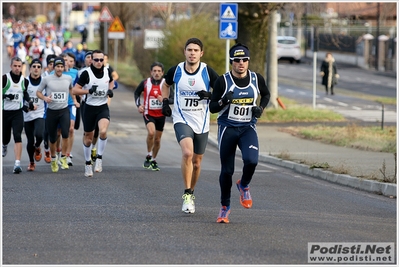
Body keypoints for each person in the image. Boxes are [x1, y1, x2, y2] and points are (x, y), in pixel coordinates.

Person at [209, 43, 270, 223]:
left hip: (247, 127)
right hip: (227, 127)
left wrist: (261, 108)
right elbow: (212, 107)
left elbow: (266, 94)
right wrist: (223, 101)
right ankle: (224, 207)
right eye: (237, 60)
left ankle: (243, 185)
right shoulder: (222, 81)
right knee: (227, 171)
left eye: (244, 60)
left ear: (248, 61)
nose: (241, 63)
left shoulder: (256, 78)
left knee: (252, 160)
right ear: (231, 62)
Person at [161, 38, 219, 214]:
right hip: (182, 118)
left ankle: (192, 192)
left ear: (201, 53)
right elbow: (165, 85)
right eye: (189, 50)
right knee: (187, 153)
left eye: (195, 50)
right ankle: (186, 194)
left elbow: (221, 91)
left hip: (201, 121)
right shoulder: (176, 70)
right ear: (184, 52)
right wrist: (165, 101)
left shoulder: (207, 71)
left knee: (197, 162)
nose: (192, 53)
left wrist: (209, 95)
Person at [72, 49, 114, 177]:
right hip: (89, 108)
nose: (99, 62)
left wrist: (110, 90)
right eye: (96, 60)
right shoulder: (86, 74)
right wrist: (88, 91)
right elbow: (75, 90)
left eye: (101, 60)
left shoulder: (107, 71)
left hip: (102, 106)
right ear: (91, 61)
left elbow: (111, 81)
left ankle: (99, 158)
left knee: (102, 131)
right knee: (89, 138)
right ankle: (88, 163)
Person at [36, 57, 73, 172]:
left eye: (62, 67)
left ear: (64, 67)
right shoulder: (47, 79)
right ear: (54, 67)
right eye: (57, 66)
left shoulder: (68, 78)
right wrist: (45, 98)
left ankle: (63, 157)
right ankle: (53, 159)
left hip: (64, 110)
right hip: (52, 112)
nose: (60, 69)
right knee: (52, 138)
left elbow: (71, 89)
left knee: (66, 134)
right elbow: (38, 92)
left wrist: (75, 100)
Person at [2, 57, 33, 173]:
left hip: (17, 113)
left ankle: (17, 164)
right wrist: (5, 96)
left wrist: (29, 102)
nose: (17, 68)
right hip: (4, 113)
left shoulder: (24, 81)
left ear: (22, 67)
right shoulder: (5, 79)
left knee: (17, 136)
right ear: (11, 66)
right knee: (5, 138)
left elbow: (24, 93)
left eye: (19, 66)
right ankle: (4, 145)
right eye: (15, 66)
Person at [134, 62, 165, 171]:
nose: (156, 73)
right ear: (151, 72)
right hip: (148, 113)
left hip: (161, 114)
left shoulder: (166, 84)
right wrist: (139, 105)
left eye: (159, 71)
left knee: (157, 139)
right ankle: (148, 154)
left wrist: (164, 100)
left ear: (162, 73)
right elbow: (136, 93)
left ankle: (154, 159)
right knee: (151, 133)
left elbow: (173, 98)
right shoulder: (145, 82)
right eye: (154, 71)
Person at [23, 59, 46, 171]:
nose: (36, 68)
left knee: (40, 134)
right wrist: (26, 107)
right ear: (30, 68)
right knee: (30, 141)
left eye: (38, 66)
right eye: (34, 66)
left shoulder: (44, 82)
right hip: (27, 114)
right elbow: (20, 97)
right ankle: (31, 162)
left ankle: (38, 147)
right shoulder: (25, 81)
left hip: (40, 113)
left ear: (41, 69)